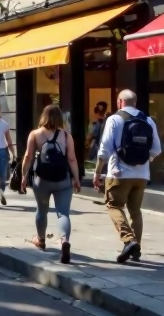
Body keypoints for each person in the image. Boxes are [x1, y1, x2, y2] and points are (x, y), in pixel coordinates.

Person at [94, 89, 161, 263]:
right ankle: (136, 249)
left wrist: (97, 172)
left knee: (114, 205)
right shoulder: (148, 120)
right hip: (142, 175)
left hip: (119, 173)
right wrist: (144, 162)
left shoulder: (114, 119)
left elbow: (104, 149)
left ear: (119, 102)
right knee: (135, 211)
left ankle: (129, 240)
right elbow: (156, 149)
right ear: (135, 102)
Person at [21, 105, 80, 264]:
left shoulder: (35, 134)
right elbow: (72, 159)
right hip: (63, 181)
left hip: (42, 180)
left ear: (43, 116)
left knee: (42, 210)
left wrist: (23, 176)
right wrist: (77, 179)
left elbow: (28, 157)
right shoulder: (66, 136)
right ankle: (64, 240)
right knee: (63, 213)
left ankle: (40, 240)